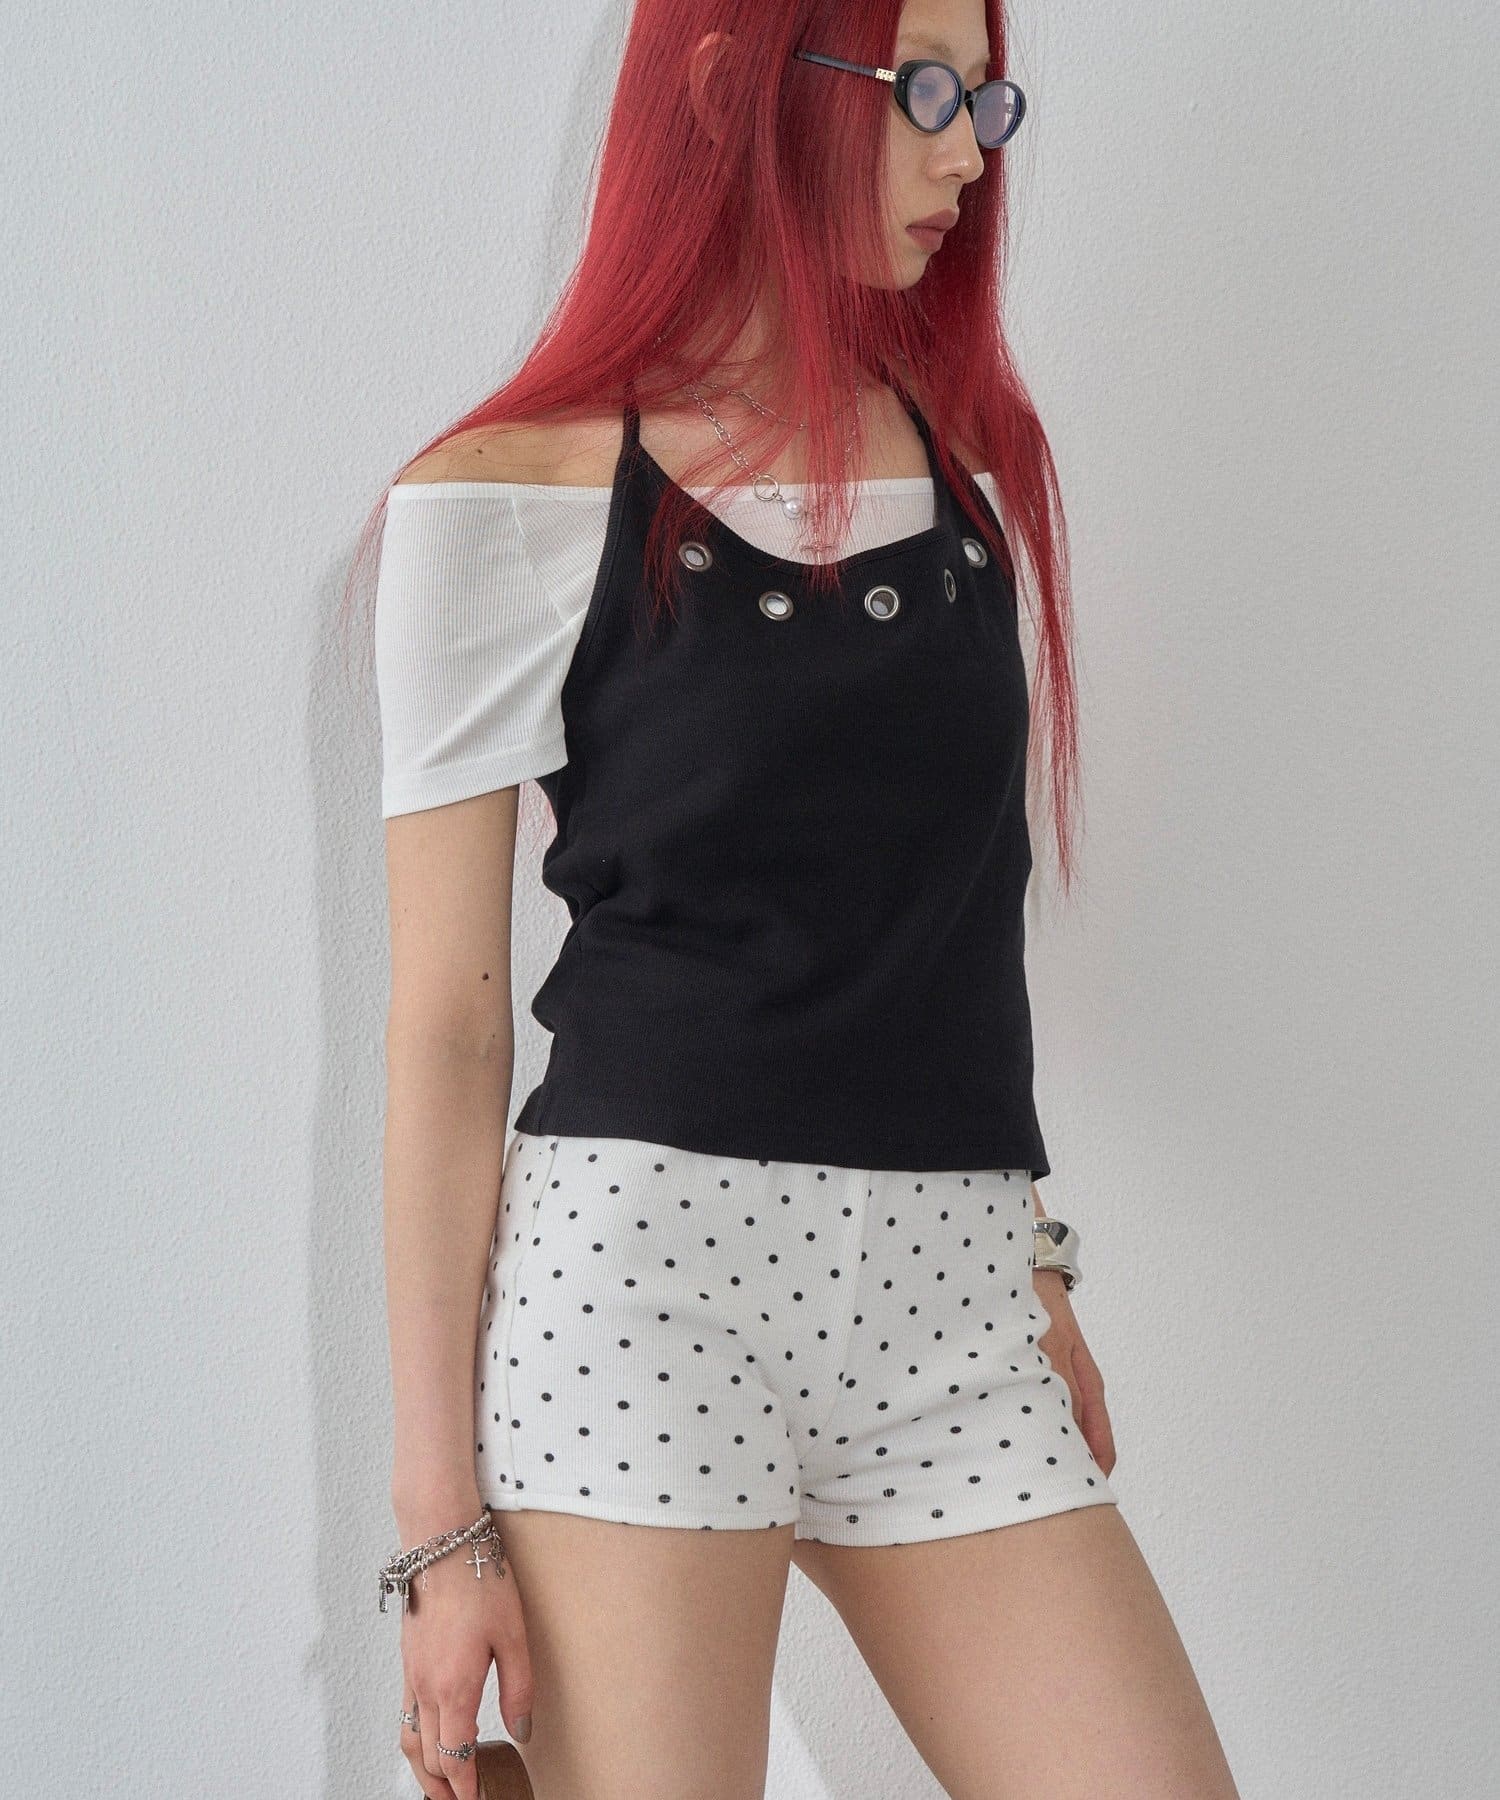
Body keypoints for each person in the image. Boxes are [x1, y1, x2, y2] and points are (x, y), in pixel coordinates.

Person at [358, 2, 1242, 1795]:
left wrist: (1030, 1248)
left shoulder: (971, 453)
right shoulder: (500, 499)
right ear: (724, 85)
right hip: (645, 1297)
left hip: (954, 1310)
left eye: (984, 95)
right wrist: (443, 1532)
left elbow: (944, 910)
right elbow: (446, 1032)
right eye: (921, 89)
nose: (968, 147)